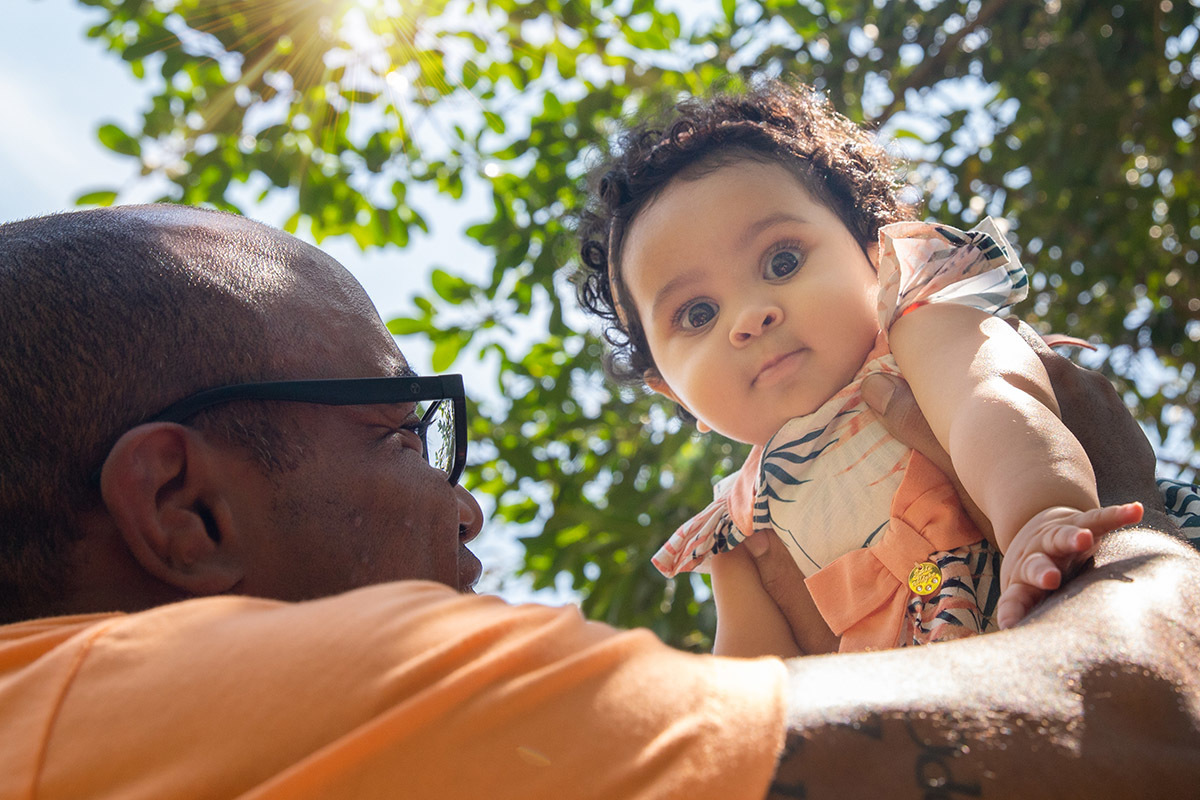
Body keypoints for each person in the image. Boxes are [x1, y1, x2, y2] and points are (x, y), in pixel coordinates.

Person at [1, 204, 1197, 799]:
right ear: (184, 506)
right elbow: (1135, 715)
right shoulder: (350, 705)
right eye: (399, 423)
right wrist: (1129, 532)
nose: (464, 508)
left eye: (784, 256)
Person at [575, 79, 1149, 657]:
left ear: (875, 255)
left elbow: (993, 398)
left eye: (782, 260)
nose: (749, 316)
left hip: (1089, 604)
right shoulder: (739, 531)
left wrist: (1039, 516)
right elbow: (754, 681)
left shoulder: (920, 334)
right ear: (671, 391)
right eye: (697, 313)